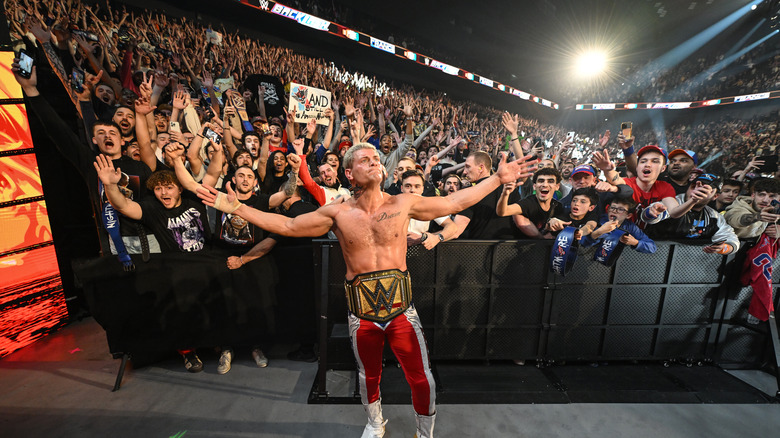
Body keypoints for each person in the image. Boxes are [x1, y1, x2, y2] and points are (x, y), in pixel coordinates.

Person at [199, 143, 536, 438]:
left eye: (377, 158)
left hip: (402, 311)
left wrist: (496, 179)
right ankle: (376, 423)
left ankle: (424, 432)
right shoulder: (338, 212)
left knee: (422, 378)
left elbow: (452, 203)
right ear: (349, 172)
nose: (375, 161)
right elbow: (287, 225)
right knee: (368, 376)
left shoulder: (404, 202)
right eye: (365, 159)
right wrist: (237, 208)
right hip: (362, 315)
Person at [647, 174, 739, 254]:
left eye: (704, 189)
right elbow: (650, 216)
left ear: (715, 196)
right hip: (650, 257)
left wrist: (723, 248)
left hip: (687, 265)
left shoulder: (713, 217)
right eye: (693, 186)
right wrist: (652, 213)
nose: (696, 190)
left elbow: (733, 241)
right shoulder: (672, 202)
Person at [496, 168, 564, 239]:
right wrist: (505, 194)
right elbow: (502, 212)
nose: (545, 184)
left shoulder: (558, 206)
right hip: (521, 248)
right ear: (534, 186)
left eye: (550, 181)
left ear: (557, 187)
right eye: (541, 181)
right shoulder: (528, 203)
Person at [400, 170, 459, 250]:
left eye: (417, 186)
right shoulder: (391, 205)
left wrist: (435, 238)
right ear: (401, 188)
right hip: (393, 254)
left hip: (421, 253)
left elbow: (452, 227)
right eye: (408, 186)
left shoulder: (430, 205)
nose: (412, 190)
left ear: (422, 189)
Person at [583, 197, 657, 254]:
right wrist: (600, 231)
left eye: (620, 209)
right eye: (612, 207)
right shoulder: (597, 220)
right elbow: (583, 243)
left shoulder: (629, 226)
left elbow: (652, 247)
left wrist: (635, 242)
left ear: (628, 215)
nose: (614, 211)